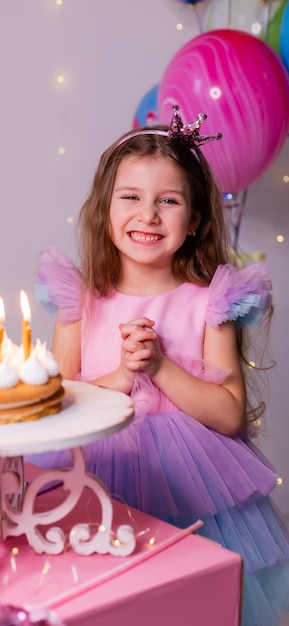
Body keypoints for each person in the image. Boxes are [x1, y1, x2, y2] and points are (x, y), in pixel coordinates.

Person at [31, 105, 289, 626]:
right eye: (130, 198)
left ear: (193, 221)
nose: (147, 215)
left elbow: (230, 414)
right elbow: (56, 404)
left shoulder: (211, 302)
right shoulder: (80, 300)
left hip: (195, 491)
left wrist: (161, 366)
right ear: (106, 209)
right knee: (102, 601)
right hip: (93, 484)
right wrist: (121, 378)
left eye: (167, 201)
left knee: (186, 602)